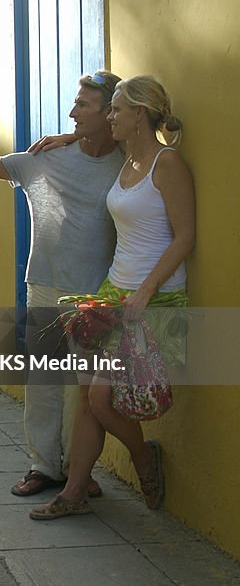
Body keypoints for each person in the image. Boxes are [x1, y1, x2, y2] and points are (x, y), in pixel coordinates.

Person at [0, 70, 123, 499]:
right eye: (75, 102)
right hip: (45, 285)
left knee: (83, 394)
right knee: (44, 383)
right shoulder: (47, 156)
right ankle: (44, 467)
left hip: (96, 294)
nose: (72, 112)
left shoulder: (128, 160)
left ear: (111, 113)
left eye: (83, 105)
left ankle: (78, 472)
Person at [30, 75, 193, 520]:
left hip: (152, 298)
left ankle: (142, 457)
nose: (110, 116)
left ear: (139, 114)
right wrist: (70, 135)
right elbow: (95, 137)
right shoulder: (125, 158)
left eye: (117, 110)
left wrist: (145, 291)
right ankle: (75, 493)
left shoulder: (167, 163)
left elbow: (184, 237)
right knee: (88, 397)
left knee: (101, 399)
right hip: (111, 293)